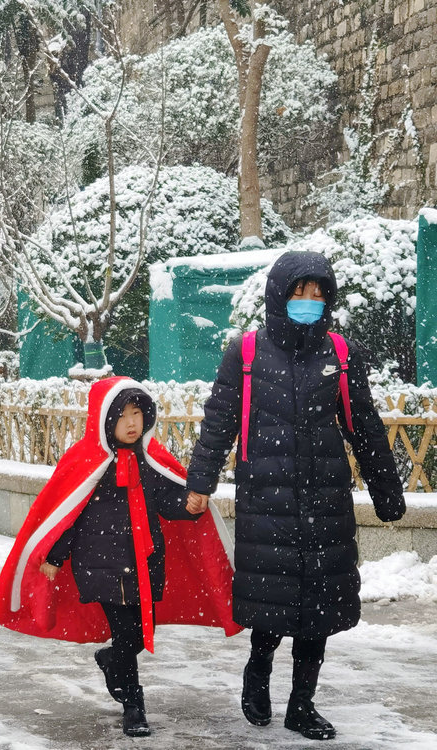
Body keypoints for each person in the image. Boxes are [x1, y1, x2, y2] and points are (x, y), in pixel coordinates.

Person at [184, 251, 405, 741]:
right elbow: (219, 422)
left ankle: (302, 705)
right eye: (299, 293)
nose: (309, 302)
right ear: (278, 296)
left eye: (318, 294)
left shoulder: (341, 355)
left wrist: (386, 490)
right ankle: (258, 670)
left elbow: (364, 427)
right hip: (269, 502)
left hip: (326, 502)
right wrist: (200, 481)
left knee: (319, 611)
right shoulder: (245, 353)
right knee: (273, 601)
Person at [0, 377, 240, 738]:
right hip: (100, 567)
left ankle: (110, 660)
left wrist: (190, 506)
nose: (132, 423)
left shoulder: (151, 461)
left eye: (137, 413)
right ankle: (134, 706)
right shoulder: (87, 462)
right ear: (105, 420)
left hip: (144, 564)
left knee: (133, 637)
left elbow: (167, 503)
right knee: (129, 634)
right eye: (123, 416)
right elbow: (67, 513)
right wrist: (54, 557)